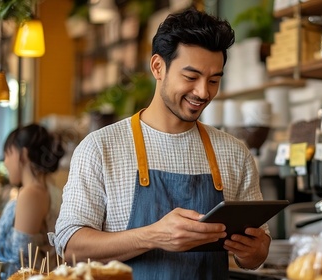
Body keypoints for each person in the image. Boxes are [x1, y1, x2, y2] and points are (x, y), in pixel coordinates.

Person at [52, 7, 270, 279]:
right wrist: (152, 236)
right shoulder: (100, 148)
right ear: (158, 67)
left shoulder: (234, 154)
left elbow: (257, 254)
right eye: (191, 77)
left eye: (213, 80)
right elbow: (69, 246)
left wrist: (255, 251)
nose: (203, 92)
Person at [0, 124, 65, 279]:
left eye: (7, 154)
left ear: (22, 155)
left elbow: (20, 259)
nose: (4, 162)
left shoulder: (31, 194)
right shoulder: (43, 189)